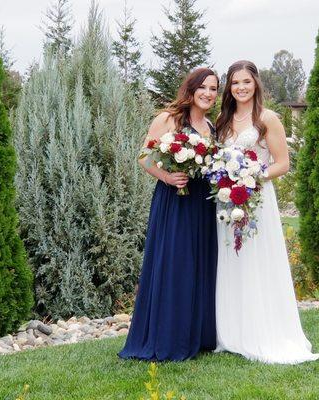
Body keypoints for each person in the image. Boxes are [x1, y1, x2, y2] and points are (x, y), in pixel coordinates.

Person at [214, 60, 319, 364]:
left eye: (246, 82)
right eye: (235, 82)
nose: (240, 87)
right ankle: (233, 333)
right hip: (227, 199)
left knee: (257, 260)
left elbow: (283, 163)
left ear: (256, 84)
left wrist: (252, 175)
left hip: (256, 197)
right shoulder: (223, 119)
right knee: (232, 261)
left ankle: (263, 332)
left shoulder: (267, 119)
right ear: (229, 86)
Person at [118, 68, 219, 361]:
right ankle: (167, 337)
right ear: (190, 89)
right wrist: (166, 177)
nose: (208, 94)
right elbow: (144, 156)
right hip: (174, 199)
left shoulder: (210, 126)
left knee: (199, 264)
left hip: (202, 202)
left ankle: (198, 336)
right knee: (175, 264)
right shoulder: (169, 118)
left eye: (213, 89)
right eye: (203, 87)